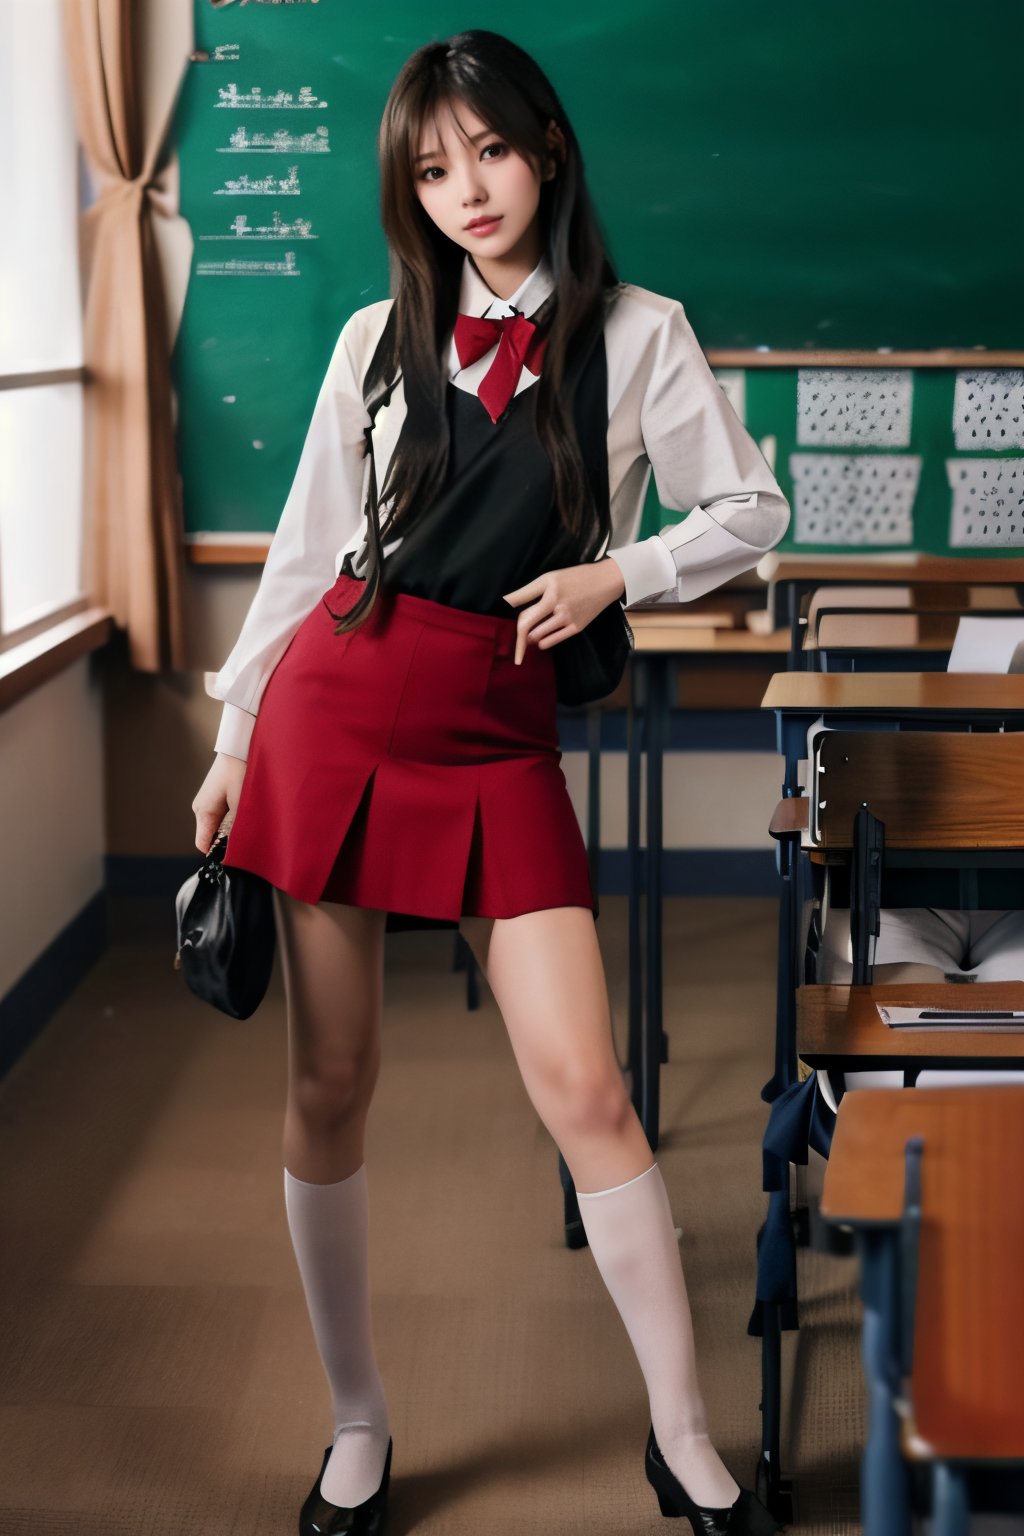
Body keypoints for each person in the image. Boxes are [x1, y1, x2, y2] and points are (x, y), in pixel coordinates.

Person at [191, 30, 789, 1536]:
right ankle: (357, 1428)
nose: (466, 190)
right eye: (432, 167)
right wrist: (231, 736)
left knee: (588, 1087)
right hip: (336, 708)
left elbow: (752, 509)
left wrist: (618, 576)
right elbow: (302, 555)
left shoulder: (642, 332)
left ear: (551, 150)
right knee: (332, 1084)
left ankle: (684, 1435)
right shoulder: (370, 337)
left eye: (491, 153)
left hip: (494, 733)